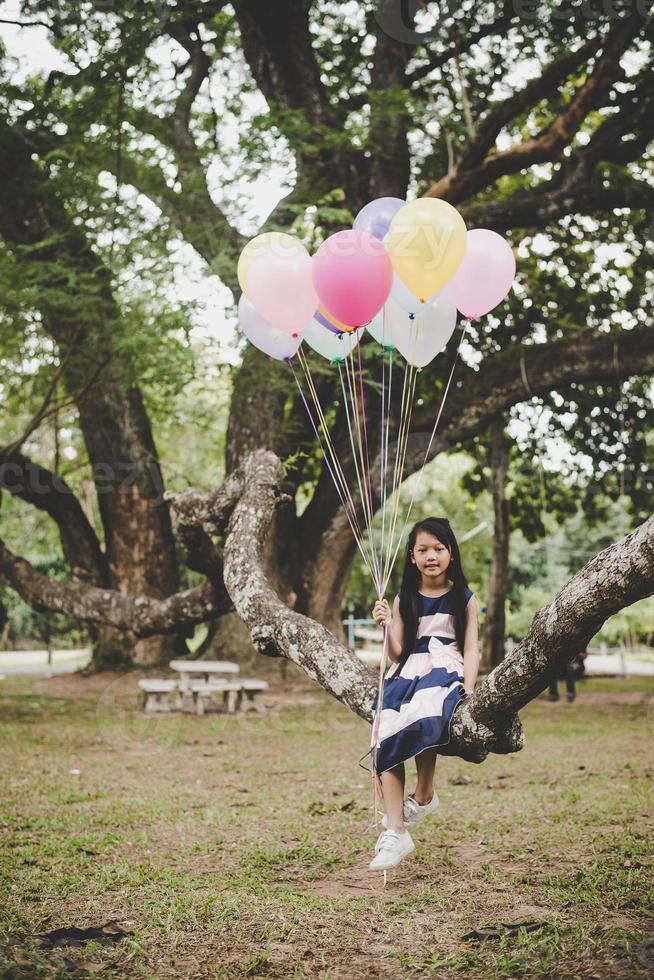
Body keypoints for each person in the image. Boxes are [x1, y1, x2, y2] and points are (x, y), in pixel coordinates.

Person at [366, 516, 480, 873]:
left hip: (445, 667)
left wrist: (470, 689)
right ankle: (396, 829)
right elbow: (398, 652)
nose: (431, 555)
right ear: (412, 557)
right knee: (385, 730)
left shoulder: (464, 597)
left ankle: (425, 793)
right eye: (423, 549)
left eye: (439, 548)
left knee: (425, 709)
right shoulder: (405, 598)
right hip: (409, 668)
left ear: (451, 554)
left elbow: (472, 648)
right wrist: (385, 625)